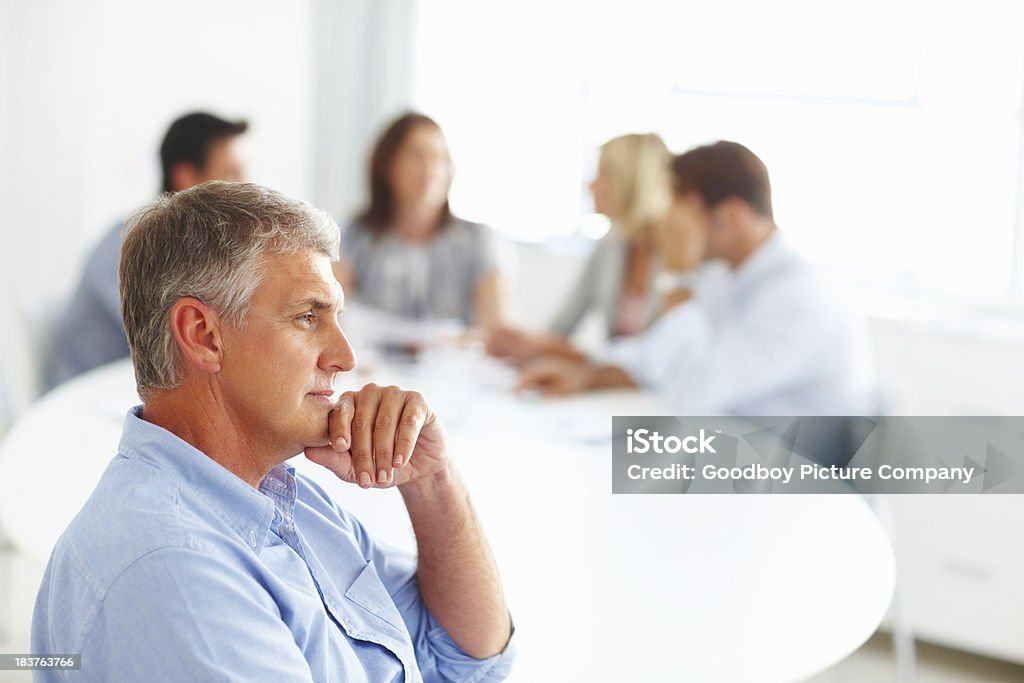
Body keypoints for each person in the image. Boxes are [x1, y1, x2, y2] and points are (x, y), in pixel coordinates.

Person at [32, 182, 516, 682]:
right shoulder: (174, 570)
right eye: (309, 317)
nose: (346, 357)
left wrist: (433, 480)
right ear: (204, 336)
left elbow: (467, 661)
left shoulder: (281, 498)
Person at [517, 141, 876, 416]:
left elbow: (692, 393)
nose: (669, 225)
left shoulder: (796, 297)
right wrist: (589, 375)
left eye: (680, 213)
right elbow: (657, 356)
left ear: (731, 216)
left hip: (805, 478)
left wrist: (676, 275)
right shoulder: (724, 275)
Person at [46, 111, 248, 389]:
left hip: (134, 394)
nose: (244, 188)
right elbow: (174, 344)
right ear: (186, 178)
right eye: (230, 175)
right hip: (87, 406)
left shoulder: (190, 251)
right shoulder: (129, 245)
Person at [486, 133, 671, 362]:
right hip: (616, 392)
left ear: (631, 182)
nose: (590, 185)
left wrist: (568, 353)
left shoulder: (678, 257)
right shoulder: (610, 246)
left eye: (604, 174)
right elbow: (561, 327)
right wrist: (524, 341)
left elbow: (659, 361)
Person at [333, 112, 509, 328]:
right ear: (388, 165)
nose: (430, 170)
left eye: (440, 158)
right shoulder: (355, 236)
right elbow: (333, 316)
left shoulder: (479, 240)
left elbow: (497, 331)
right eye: (417, 156)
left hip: (458, 360)